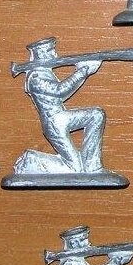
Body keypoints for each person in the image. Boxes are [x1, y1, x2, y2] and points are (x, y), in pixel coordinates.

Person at [21, 37, 105, 174]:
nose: (55, 54)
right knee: (74, 168)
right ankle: (30, 161)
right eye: (50, 51)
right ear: (40, 54)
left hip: (61, 117)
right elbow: (59, 91)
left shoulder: (44, 72)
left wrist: (83, 70)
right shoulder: (35, 77)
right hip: (53, 123)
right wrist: (83, 70)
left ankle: (92, 166)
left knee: (96, 115)